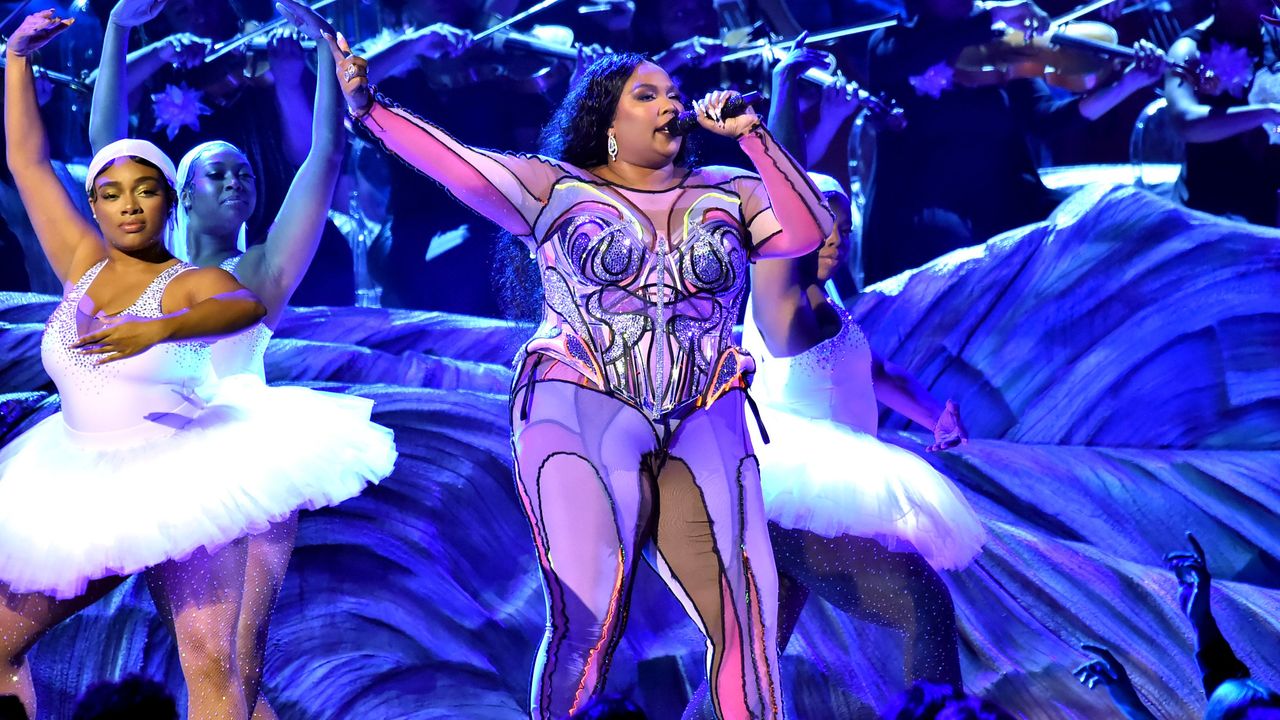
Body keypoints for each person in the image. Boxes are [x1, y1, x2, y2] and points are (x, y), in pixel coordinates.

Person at [307, 3, 835, 713]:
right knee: (588, 617)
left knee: (748, 609)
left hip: (705, 401)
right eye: (645, 95)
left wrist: (757, 138)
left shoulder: (731, 193)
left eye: (674, 93)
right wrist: (369, 109)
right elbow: (454, 164)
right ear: (606, 124)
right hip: (580, 396)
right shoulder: (553, 189)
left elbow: (808, 229)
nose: (670, 104)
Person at [90, 2, 398, 718]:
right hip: (160, 453)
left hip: (248, 451)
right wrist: (117, 28)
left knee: (237, 657)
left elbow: (324, 154)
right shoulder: (143, 264)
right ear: (179, 198)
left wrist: (323, 38)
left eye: (245, 176)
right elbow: (106, 142)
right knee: (208, 657)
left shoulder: (260, 271)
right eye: (217, 174)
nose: (238, 183)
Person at [1, 11, 269, 719]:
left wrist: (158, 325)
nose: (128, 205)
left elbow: (238, 307)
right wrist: (18, 58)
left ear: (168, 201)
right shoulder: (80, 264)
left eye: (145, 190)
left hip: (181, 474)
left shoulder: (186, 278)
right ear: (93, 202)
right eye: (111, 193)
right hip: (80, 477)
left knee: (212, 664)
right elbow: (27, 161)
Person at [744, 173, 984, 685]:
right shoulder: (777, 295)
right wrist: (763, 126)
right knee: (923, 600)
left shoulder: (826, 300)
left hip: (811, 496)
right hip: (791, 492)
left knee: (753, 665)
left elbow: (874, 372)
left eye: (845, 227)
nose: (836, 237)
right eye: (823, 222)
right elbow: (780, 190)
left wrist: (934, 416)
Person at [862, 0, 1167, 284]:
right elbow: (911, 56)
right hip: (926, 207)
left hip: (1007, 198)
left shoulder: (1002, 46)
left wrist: (1128, 83)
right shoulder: (892, 43)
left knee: (1111, 220)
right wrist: (992, 16)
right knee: (953, 253)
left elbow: (1047, 120)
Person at [1165, 0, 1280, 226]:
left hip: (1267, 204)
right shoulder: (1189, 49)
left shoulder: (1274, 35)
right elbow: (1185, 122)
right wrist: (1267, 113)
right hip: (1210, 213)